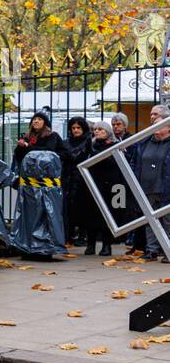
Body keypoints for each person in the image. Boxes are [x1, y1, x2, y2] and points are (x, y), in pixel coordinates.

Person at [130, 104, 170, 260]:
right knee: (149, 221)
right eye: (154, 125)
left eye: (159, 125)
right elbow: (135, 162)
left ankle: (167, 251)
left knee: (167, 221)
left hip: (166, 188)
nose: (155, 127)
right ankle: (152, 250)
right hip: (147, 187)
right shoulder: (145, 142)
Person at [79, 120, 120, 256]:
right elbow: (79, 161)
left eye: (101, 129)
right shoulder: (90, 144)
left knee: (106, 217)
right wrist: (86, 150)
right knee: (90, 216)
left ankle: (106, 246)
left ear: (108, 132)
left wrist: (94, 152)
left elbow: (111, 162)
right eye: (95, 129)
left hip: (108, 185)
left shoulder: (114, 145)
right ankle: (90, 245)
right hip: (91, 184)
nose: (97, 131)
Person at [63, 116, 92, 246]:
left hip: (83, 177)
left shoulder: (89, 142)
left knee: (83, 207)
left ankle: (82, 235)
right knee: (68, 207)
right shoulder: (66, 142)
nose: (75, 130)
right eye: (73, 128)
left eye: (78, 128)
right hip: (68, 176)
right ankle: (68, 234)